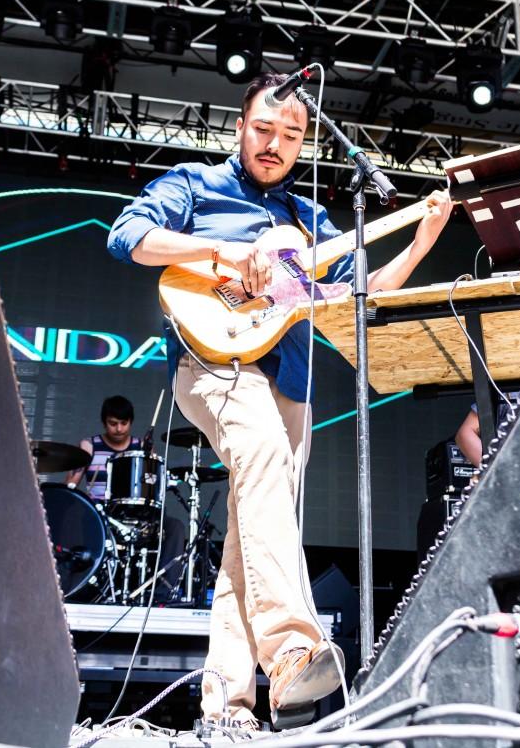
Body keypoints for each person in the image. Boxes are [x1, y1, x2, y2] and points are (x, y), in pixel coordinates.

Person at [107, 72, 452, 728]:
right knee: (260, 462)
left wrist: (422, 240)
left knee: (250, 535)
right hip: (213, 365)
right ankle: (293, 647)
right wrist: (221, 251)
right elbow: (128, 236)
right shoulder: (195, 185)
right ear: (240, 126)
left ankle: (227, 705)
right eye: (263, 129)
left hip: (289, 386)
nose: (274, 144)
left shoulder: (311, 220)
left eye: (291, 135)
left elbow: (364, 294)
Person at [66, 395, 185, 602]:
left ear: (130, 422)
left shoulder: (142, 447)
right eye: (113, 423)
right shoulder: (89, 445)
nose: (119, 429)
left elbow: (154, 484)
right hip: (102, 516)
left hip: (140, 516)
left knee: (175, 527)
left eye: (124, 423)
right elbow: (70, 486)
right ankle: (82, 586)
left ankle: (163, 593)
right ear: (105, 422)